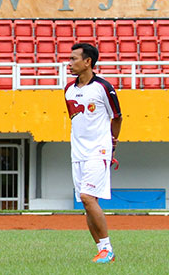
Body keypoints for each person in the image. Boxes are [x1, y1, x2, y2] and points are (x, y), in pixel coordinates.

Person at [65, 42, 123, 264]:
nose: (69, 63)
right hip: (77, 153)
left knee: (87, 197)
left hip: (98, 150)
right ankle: (102, 250)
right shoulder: (69, 89)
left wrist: (111, 145)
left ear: (87, 61)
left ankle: (107, 249)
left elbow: (117, 116)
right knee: (87, 202)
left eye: (73, 59)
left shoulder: (103, 88)